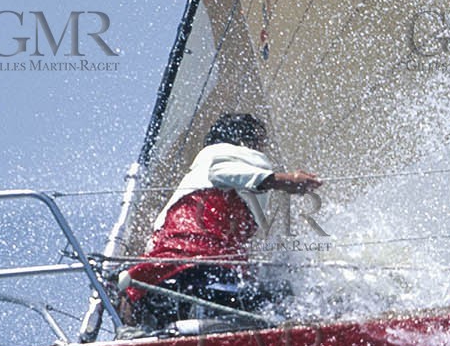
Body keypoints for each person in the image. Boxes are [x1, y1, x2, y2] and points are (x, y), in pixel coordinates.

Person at [120, 113, 321, 331]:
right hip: (202, 272)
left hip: (161, 277)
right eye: (262, 142)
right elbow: (223, 171)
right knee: (283, 298)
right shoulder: (226, 154)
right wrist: (284, 181)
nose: (263, 148)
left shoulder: (191, 183)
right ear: (246, 141)